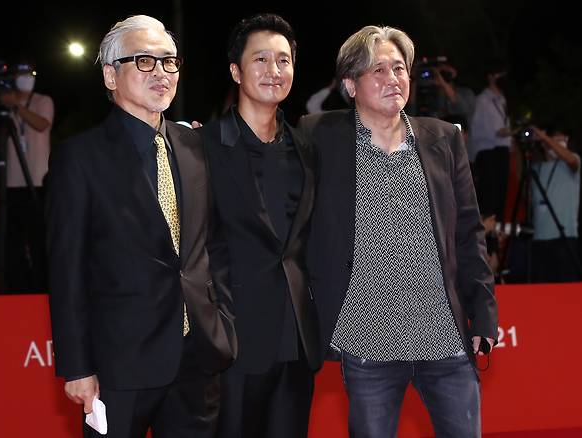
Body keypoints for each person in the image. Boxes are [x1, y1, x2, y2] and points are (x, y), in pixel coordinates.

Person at [299, 25, 498, 437]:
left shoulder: (443, 139)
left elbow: (468, 233)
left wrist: (482, 313)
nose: (394, 79)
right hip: (367, 337)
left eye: (399, 68)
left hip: (444, 336)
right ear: (351, 85)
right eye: (379, 71)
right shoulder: (318, 136)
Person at [45, 14, 236, 438]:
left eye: (169, 62)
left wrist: (222, 323)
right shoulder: (79, 158)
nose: (162, 73)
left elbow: (213, 245)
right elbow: (67, 269)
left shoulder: (195, 146)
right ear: (111, 76)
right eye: (145, 62)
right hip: (119, 364)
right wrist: (77, 365)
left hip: (197, 358)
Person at [198, 13, 321, 438]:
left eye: (284, 60)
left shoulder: (307, 147)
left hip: (297, 340)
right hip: (232, 343)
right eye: (261, 60)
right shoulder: (203, 147)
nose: (274, 70)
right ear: (236, 71)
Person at [0, 58, 53, 293]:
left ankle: (41, 287)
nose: (25, 79)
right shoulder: (2, 102)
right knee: (10, 242)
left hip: (37, 183)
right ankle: (15, 287)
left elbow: (42, 124)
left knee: (39, 239)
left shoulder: (42, 100)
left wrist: (17, 106)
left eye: (29, 74)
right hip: (8, 185)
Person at [529, 126, 581, 282]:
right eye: (557, 140)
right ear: (545, 146)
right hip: (539, 239)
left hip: (565, 237)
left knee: (568, 291)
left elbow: (571, 159)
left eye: (564, 140)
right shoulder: (535, 169)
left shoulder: (572, 163)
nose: (561, 143)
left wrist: (545, 138)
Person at [469, 61, 512, 222]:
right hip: (488, 153)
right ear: (490, 77)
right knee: (489, 199)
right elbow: (485, 131)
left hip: (502, 151)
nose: (502, 78)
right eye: (499, 74)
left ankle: (498, 236)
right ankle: (488, 239)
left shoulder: (503, 100)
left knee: (501, 198)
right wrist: (506, 132)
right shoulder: (483, 100)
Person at [408, 57, 476, 126]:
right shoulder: (429, 95)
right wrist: (414, 80)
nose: (437, 76)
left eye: (441, 72)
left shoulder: (466, 93)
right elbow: (411, 113)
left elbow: (461, 108)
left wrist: (443, 81)